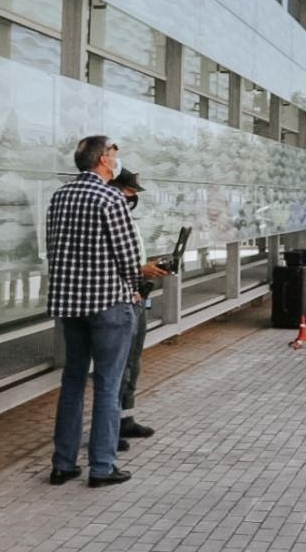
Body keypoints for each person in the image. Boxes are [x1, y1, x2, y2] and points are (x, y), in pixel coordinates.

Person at [46, 135, 139, 488]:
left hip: (70, 304)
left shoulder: (60, 196)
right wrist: (132, 285)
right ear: (102, 160)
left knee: (72, 381)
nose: (116, 160)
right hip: (107, 303)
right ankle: (101, 466)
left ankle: (63, 463)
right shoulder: (109, 196)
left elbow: (53, 248)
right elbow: (127, 255)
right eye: (114, 155)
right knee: (107, 384)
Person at [109, 169, 171, 448]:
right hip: (120, 299)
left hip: (136, 295)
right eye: (128, 191)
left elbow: (132, 257)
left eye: (133, 192)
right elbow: (110, 263)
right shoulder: (108, 216)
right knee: (118, 367)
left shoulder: (126, 220)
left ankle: (124, 418)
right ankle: (108, 429)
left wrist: (148, 267)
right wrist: (139, 269)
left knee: (132, 362)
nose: (132, 197)